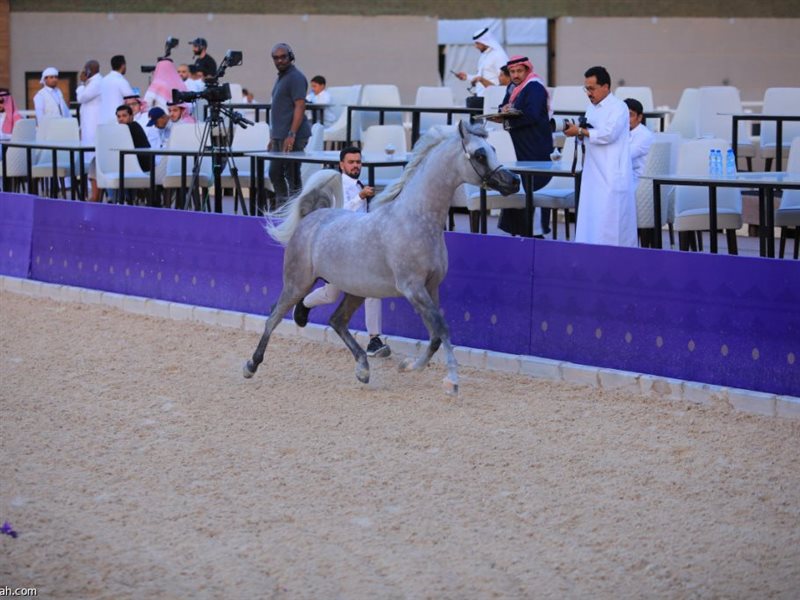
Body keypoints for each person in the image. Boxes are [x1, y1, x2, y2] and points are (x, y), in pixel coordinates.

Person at [293, 146, 391, 358]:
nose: (355, 165)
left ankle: (374, 339)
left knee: (373, 290)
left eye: (358, 161)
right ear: (342, 165)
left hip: (361, 247)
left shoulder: (360, 185)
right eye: (351, 162)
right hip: (340, 250)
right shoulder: (336, 186)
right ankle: (304, 303)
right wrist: (360, 197)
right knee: (331, 294)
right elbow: (339, 214)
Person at [564, 66, 636, 247]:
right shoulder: (591, 108)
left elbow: (608, 134)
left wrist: (581, 130)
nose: (588, 93)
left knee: (611, 224)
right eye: (586, 89)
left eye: (592, 88)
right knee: (591, 221)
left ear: (605, 87)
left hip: (611, 175)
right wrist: (578, 134)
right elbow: (590, 135)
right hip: (592, 174)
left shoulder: (619, 107)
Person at [494, 56, 553, 237]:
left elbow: (533, 115)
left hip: (535, 145)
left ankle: (535, 233)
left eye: (520, 71)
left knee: (534, 186)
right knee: (518, 185)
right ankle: (517, 232)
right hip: (519, 145)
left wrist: (509, 122)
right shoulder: (513, 87)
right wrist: (501, 112)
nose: (516, 75)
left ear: (527, 70)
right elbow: (505, 106)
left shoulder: (534, 86)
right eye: (512, 72)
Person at [268, 42, 312, 205]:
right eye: (276, 58)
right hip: (280, 136)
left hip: (293, 135)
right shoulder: (282, 77)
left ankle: (295, 211)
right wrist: (274, 136)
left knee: (292, 175)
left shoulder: (296, 77)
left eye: (283, 57)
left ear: (290, 57)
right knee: (275, 173)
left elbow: (300, 105)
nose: (280, 61)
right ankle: (285, 208)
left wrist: (292, 134)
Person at [76, 60, 104, 201]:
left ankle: (94, 194)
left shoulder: (96, 82)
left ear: (89, 70)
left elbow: (81, 97)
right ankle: (91, 193)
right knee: (89, 160)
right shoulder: (93, 82)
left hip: (94, 127)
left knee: (93, 159)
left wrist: (81, 84)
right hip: (88, 126)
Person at [454, 27, 509, 98]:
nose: (476, 46)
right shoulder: (484, 56)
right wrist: (467, 77)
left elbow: (506, 80)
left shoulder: (499, 55)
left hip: (493, 98)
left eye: (477, 43)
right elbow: (481, 77)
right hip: (481, 97)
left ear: (485, 42)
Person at [625, 97, 654, 188]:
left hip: (638, 183)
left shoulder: (644, 135)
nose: (626, 119)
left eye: (630, 115)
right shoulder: (625, 132)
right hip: (626, 179)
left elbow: (623, 157)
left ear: (639, 117)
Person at [115, 104, 151, 172]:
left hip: (140, 166)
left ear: (131, 116)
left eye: (124, 116)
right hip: (131, 163)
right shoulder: (127, 127)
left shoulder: (132, 127)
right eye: (118, 116)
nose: (121, 119)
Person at [100, 55, 134, 124]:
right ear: (123, 65)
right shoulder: (121, 81)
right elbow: (131, 100)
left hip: (102, 120)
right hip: (118, 120)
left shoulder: (103, 80)